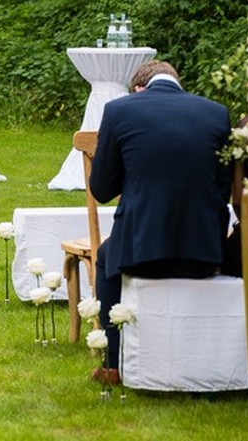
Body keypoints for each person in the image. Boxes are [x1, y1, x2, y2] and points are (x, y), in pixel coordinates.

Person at [90, 60, 233, 383]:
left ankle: (113, 363)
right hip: (203, 254)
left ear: (140, 87)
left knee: (104, 257)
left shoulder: (118, 111)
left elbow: (101, 189)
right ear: (176, 81)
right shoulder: (216, 113)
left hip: (138, 254)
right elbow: (222, 188)